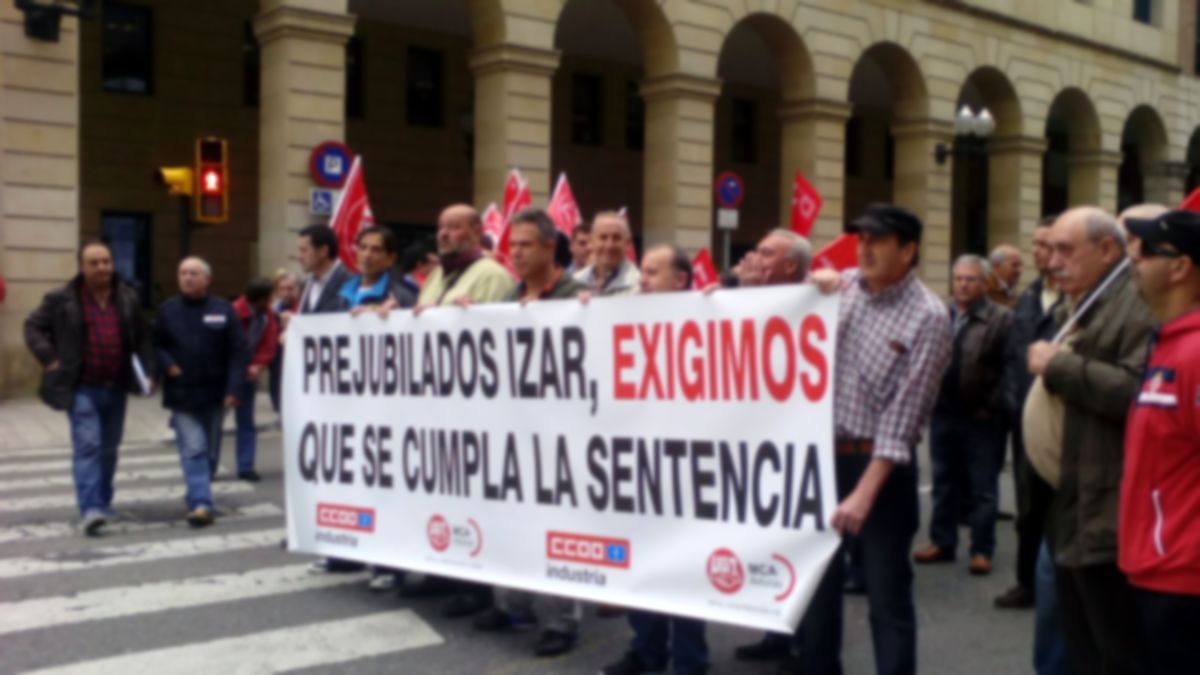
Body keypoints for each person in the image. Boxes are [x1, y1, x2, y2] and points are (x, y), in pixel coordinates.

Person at [794, 204, 953, 675]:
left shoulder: (928, 317)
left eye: (878, 240)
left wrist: (865, 493)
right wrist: (722, 296)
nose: (864, 248)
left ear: (908, 250)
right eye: (861, 238)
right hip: (820, 462)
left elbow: (905, 418)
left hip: (879, 468)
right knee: (817, 594)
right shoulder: (838, 289)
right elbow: (764, 320)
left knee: (887, 599)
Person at [1025, 206, 1153, 674]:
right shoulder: (1080, 300)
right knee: (1074, 641)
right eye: (1050, 248)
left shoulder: (1135, 302)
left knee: (1111, 647)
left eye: (1065, 250)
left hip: (1104, 501)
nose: (1052, 261)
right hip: (1070, 497)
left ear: (1106, 250)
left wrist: (1058, 367)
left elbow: (1138, 392)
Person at [472, 209, 586, 658]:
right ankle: (511, 603)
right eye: (511, 244)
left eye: (523, 245)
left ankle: (561, 621)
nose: (514, 252)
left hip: (562, 435)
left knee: (557, 527)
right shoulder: (510, 294)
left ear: (548, 247)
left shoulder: (578, 295)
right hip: (512, 431)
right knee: (510, 519)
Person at [600, 244, 710, 675]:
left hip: (685, 466)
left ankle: (689, 660)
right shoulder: (624, 318)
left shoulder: (706, 316)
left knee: (682, 567)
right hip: (636, 465)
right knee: (640, 563)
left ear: (681, 280)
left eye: (651, 272)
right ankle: (645, 651)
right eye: (642, 271)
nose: (641, 279)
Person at [402, 203, 514, 613]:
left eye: (454, 227)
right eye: (440, 226)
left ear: (475, 231)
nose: (445, 233)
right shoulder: (436, 275)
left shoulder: (491, 275)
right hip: (437, 410)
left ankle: (477, 585)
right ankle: (442, 570)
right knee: (442, 495)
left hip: (475, 413)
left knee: (474, 502)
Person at [23, 241, 155, 536]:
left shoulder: (127, 297)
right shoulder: (62, 298)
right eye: (94, 263)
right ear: (82, 267)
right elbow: (32, 326)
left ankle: (104, 503)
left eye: (106, 261)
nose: (102, 267)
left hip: (116, 385)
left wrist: (147, 371)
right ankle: (90, 508)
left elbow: (143, 337)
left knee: (108, 450)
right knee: (89, 445)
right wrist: (50, 359)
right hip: (80, 386)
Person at [1121, 209, 1200, 674]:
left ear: (1180, 268)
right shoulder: (1169, 342)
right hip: (1157, 567)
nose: (1134, 258)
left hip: (1185, 580)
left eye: (1146, 250)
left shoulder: (1194, 351)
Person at [914, 255, 1011, 575]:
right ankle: (943, 542)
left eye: (970, 279)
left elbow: (1010, 371)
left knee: (982, 488)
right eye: (958, 278)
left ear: (984, 283)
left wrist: (991, 405)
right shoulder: (940, 312)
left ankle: (981, 550)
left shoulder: (1000, 319)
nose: (963, 285)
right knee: (944, 482)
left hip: (981, 417)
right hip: (943, 413)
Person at [995, 216, 1062, 610]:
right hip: (1023, 418)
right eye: (1035, 243)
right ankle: (1027, 583)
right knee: (1028, 508)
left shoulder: (1080, 299)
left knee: (1060, 509)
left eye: (1046, 243)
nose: (1037, 250)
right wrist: (1010, 400)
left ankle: (1059, 586)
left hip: (1059, 421)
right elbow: (1012, 355)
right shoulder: (1030, 296)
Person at [155, 257, 247, 528]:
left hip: (215, 392)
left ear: (207, 279)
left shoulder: (223, 310)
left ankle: (196, 491)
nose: (188, 278)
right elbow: (155, 345)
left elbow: (238, 352)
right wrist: (167, 364)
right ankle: (201, 503)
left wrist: (234, 388)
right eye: (183, 273)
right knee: (194, 446)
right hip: (182, 393)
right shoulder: (168, 310)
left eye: (194, 273)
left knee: (209, 452)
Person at [228, 277, 279, 482]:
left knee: (246, 421)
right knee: (214, 422)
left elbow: (269, 343)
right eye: (269, 298)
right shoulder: (232, 312)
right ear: (261, 298)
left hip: (249, 371)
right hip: (228, 371)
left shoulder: (267, 315)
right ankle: (209, 465)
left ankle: (245, 465)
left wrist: (258, 364)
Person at [341, 225, 416, 313]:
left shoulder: (400, 297)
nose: (367, 255)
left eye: (376, 250)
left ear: (391, 258)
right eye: (362, 248)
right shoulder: (338, 290)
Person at [573, 211, 640, 296]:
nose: (609, 245)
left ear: (627, 243)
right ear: (592, 241)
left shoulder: (640, 286)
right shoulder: (575, 282)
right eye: (603, 237)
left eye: (616, 238)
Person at [297, 224, 354, 315]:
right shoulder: (305, 285)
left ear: (323, 251)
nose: (299, 257)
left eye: (304, 250)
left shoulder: (351, 283)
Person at [267, 270, 299, 413]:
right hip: (276, 360)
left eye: (290, 289)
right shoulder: (272, 309)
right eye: (282, 289)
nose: (286, 292)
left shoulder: (304, 307)